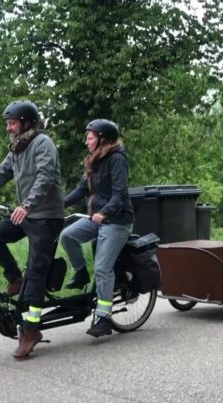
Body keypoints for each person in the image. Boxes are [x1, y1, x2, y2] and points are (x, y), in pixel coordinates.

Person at [0, 100, 65, 360]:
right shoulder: (18, 148)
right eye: (7, 124)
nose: (8, 128)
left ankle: (31, 331)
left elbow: (46, 177)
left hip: (46, 217)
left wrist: (28, 205)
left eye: (12, 123)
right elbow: (0, 174)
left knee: (36, 273)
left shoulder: (43, 143)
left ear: (27, 122)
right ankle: (14, 278)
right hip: (27, 214)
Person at [59, 118, 133, 338]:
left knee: (102, 268)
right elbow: (82, 189)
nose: (87, 142)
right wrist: (58, 204)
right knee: (68, 235)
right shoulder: (94, 160)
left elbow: (120, 194)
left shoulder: (117, 159)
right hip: (97, 217)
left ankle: (103, 318)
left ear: (102, 139)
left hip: (117, 220)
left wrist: (104, 213)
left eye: (90, 138)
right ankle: (80, 273)